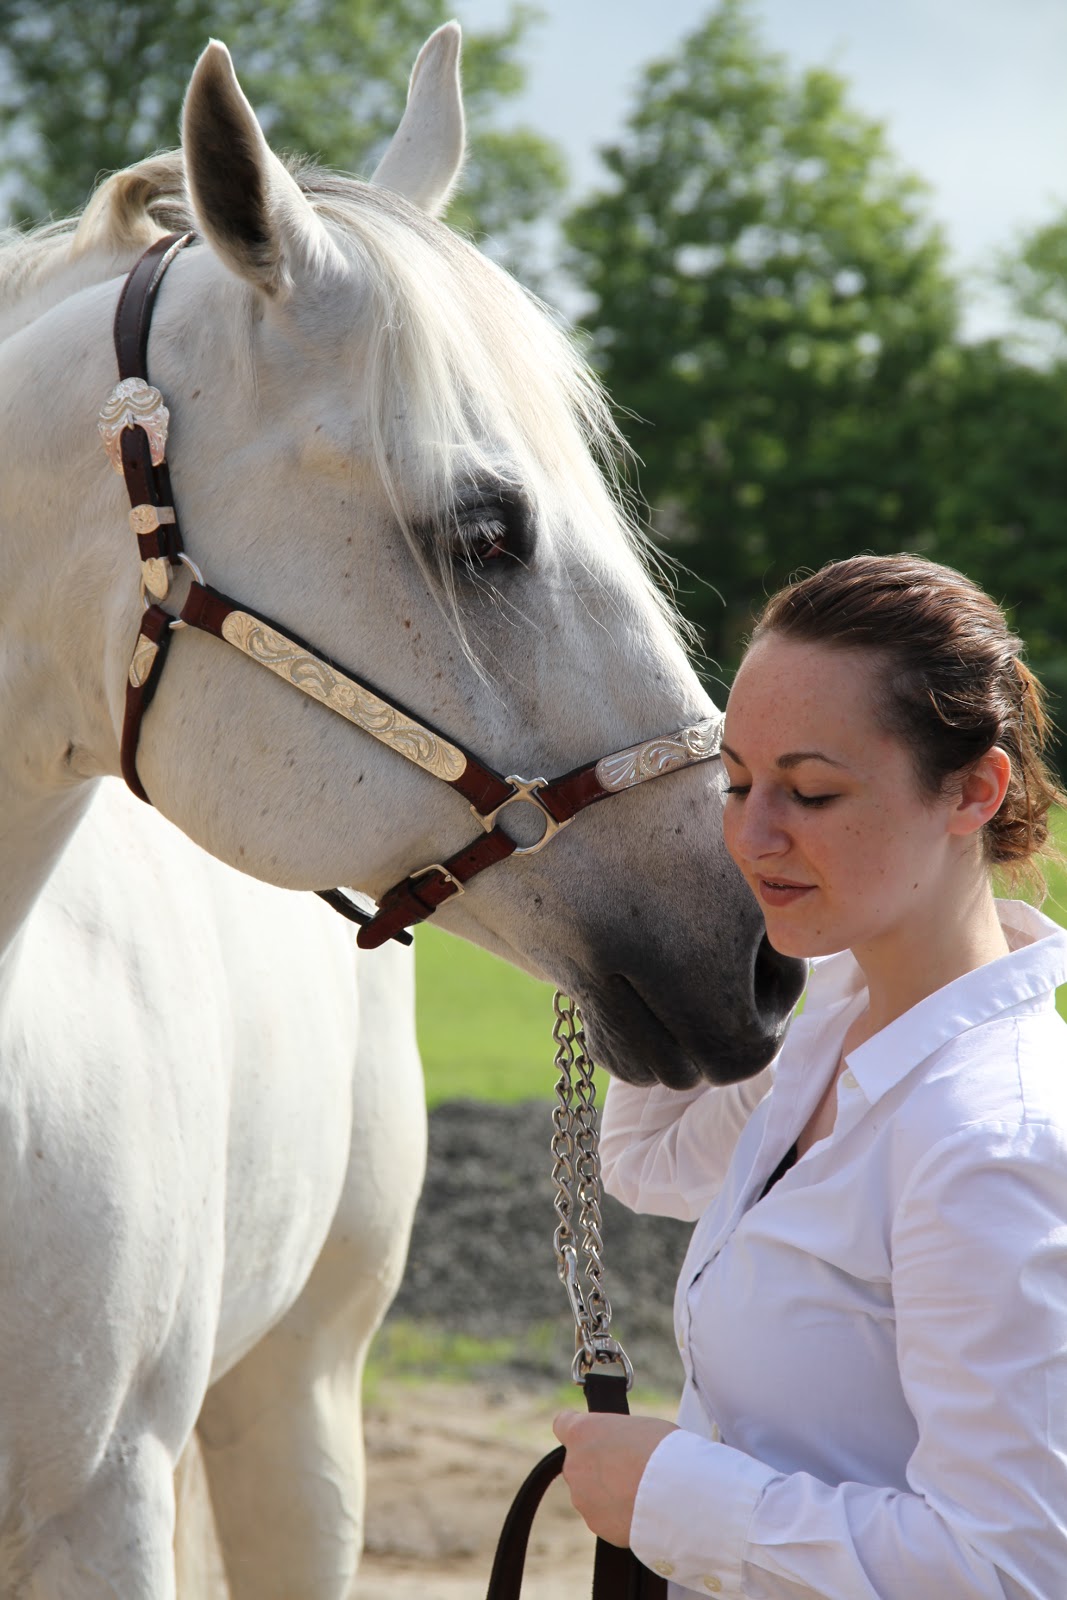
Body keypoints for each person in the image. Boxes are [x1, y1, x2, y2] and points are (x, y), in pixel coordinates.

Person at [553, 553, 1067, 1599]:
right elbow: (646, 1160)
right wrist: (675, 942)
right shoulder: (835, 1023)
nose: (750, 836)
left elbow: (1011, 1570)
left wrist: (671, 1495)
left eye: (812, 792)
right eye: (736, 783)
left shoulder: (989, 1146)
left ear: (973, 790)